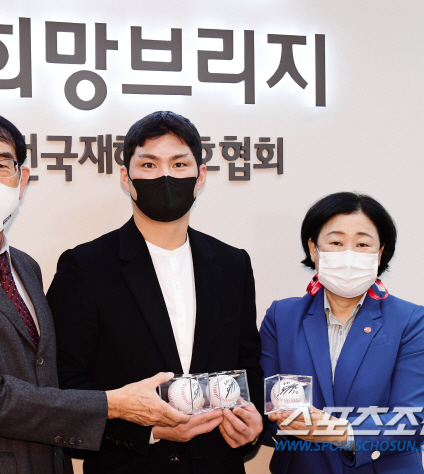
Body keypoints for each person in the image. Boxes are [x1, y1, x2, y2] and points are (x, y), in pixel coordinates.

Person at [0, 111, 189, 474]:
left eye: (2, 165)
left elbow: (47, 377)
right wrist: (114, 405)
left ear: (22, 180)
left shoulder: (24, 267)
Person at [47, 111, 264, 474]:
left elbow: (248, 362)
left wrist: (252, 424)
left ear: (200, 177)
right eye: (148, 165)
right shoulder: (85, 267)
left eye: (179, 164)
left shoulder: (232, 264)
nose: (165, 176)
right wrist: (145, 431)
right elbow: (63, 380)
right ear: (126, 178)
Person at [259, 192, 424, 474]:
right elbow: (267, 408)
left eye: (362, 244)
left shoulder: (409, 320)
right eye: (336, 242)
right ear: (313, 249)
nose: (349, 255)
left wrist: (338, 431)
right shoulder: (282, 317)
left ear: (380, 253)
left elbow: (413, 419)